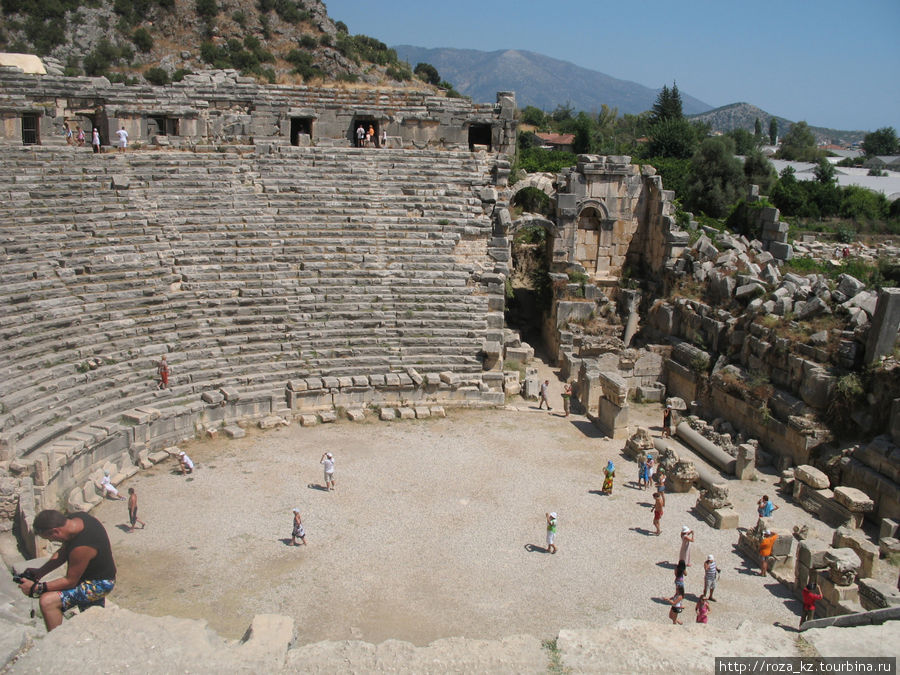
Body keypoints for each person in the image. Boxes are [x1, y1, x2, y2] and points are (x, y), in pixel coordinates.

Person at [17, 509, 116, 631]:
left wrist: (36, 588)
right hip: (88, 575)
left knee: (48, 602)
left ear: (55, 531)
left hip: (99, 584)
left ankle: (56, 643)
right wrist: (40, 572)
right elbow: (64, 552)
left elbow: (70, 581)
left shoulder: (82, 547)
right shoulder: (78, 519)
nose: (51, 541)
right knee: (91, 621)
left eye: (49, 538)